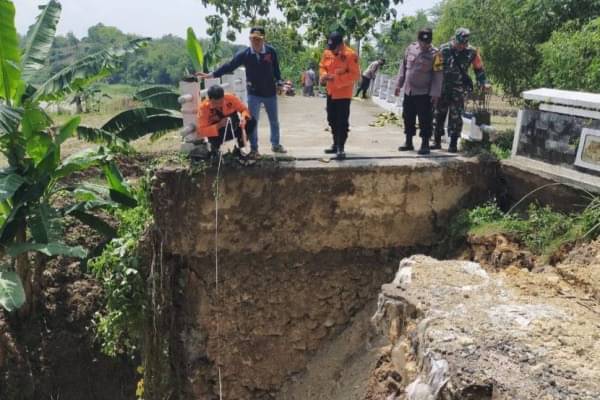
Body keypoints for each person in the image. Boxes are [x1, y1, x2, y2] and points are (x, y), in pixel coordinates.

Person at [196, 26, 286, 158]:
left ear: (263, 39)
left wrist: (279, 81)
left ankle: (276, 144)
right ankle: (254, 149)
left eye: (258, 39)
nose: (256, 42)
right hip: (254, 93)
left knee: (274, 120)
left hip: (270, 92)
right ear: (250, 39)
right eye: (253, 39)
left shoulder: (271, 52)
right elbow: (230, 65)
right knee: (252, 120)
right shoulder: (245, 54)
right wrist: (212, 75)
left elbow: (276, 69)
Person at [433, 27, 490, 153]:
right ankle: (437, 141)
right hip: (442, 88)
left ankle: (453, 144)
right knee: (438, 114)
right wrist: (433, 87)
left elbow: (479, 69)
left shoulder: (472, 52)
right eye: (459, 44)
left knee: (456, 116)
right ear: (455, 40)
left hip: (459, 89)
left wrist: (483, 83)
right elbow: (436, 68)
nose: (461, 47)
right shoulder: (443, 49)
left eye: (464, 44)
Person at [394, 28, 443, 155]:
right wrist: (398, 85)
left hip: (424, 93)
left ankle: (425, 143)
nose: (425, 45)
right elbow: (403, 67)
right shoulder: (411, 48)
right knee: (408, 117)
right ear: (418, 40)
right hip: (409, 91)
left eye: (427, 42)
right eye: (422, 42)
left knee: (425, 119)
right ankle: (408, 142)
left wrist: (435, 93)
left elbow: (438, 75)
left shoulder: (436, 54)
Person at [319, 31, 361, 160]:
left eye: (335, 47)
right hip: (331, 92)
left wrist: (336, 79)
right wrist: (323, 76)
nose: (333, 50)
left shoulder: (350, 55)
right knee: (331, 118)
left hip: (343, 94)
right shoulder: (327, 53)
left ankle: (341, 147)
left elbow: (355, 75)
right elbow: (322, 66)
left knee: (342, 121)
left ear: (341, 44)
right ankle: (335, 143)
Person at [196, 85, 256, 162]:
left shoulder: (230, 98)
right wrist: (219, 125)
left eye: (221, 102)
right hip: (218, 134)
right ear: (209, 99)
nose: (219, 105)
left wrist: (243, 117)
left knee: (251, 121)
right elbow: (201, 131)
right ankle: (215, 152)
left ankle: (240, 149)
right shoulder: (203, 108)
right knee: (215, 154)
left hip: (234, 127)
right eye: (215, 103)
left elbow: (244, 109)